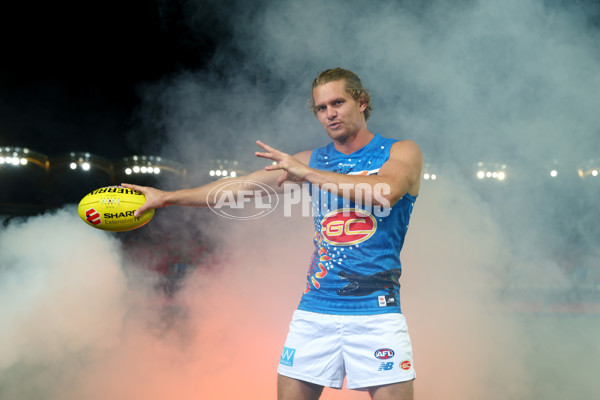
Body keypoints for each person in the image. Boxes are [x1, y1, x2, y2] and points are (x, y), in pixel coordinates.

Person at [123, 67, 422, 400]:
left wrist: (308, 174)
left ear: (362, 101)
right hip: (315, 310)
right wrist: (166, 198)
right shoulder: (313, 160)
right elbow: (239, 189)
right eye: (321, 108)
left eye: (338, 103)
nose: (329, 114)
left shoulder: (400, 151)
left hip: (376, 312)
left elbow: (387, 191)